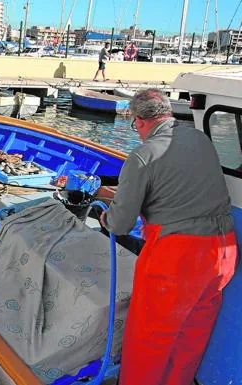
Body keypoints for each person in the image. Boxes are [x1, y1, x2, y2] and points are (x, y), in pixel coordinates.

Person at [101, 89, 237, 385]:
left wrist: (105, 217)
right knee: (192, 335)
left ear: (139, 122)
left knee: (149, 339)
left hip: (179, 259)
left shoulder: (142, 156)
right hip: (223, 252)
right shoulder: (200, 139)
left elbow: (121, 224)